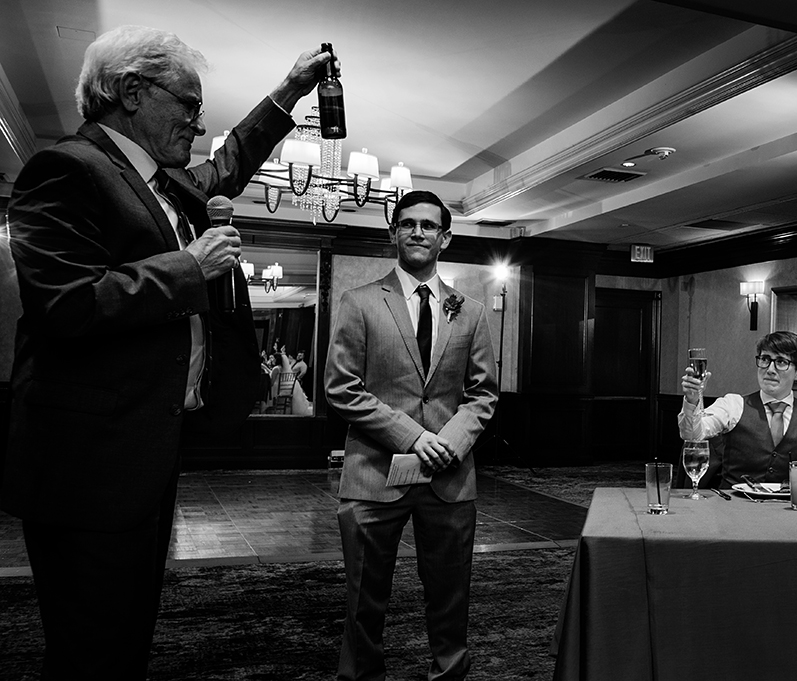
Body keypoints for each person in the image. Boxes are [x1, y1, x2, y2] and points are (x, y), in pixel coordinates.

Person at [1, 25, 336, 679]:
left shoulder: (163, 181)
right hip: (87, 471)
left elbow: (230, 160)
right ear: (131, 91)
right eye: (186, 102)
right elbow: (67, 304)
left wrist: (291, 90)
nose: (198, 118)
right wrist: (189, 265)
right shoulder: (64, 168)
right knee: (89, 650)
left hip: (143, 457)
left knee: (124, 640)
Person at [324, 189, 498, 681]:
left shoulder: (472, 311)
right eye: (407, 224)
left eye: (428, 225)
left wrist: (448, 444)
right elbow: (341, 388)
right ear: (393, 233)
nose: (417, 232)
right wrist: (413, 437)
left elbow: (483, 394)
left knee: (451, 595)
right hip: (373, 474)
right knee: (364, 598)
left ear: (445, 237)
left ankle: (448, 675)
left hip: (449, 476)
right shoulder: (358, 302)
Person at [677, 331, 797, 490]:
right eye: (765, 359)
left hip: (792, 514)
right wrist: (693, 400)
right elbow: (692, 435)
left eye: (781, 362)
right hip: (732, 511)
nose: (770, 369)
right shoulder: (733, 405)